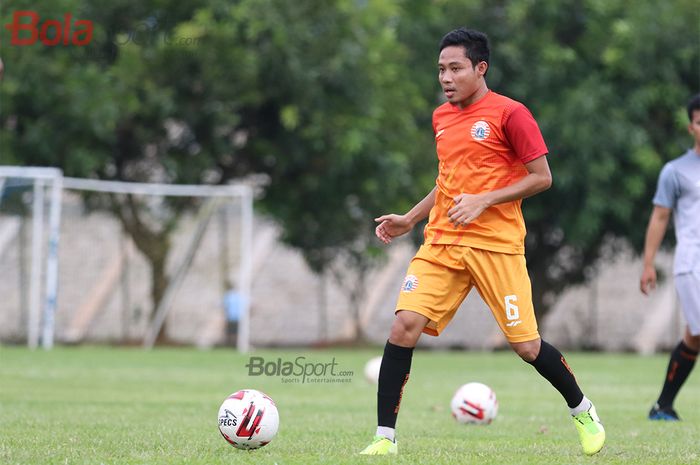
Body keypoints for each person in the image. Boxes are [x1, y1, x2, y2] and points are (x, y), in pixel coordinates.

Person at [359, 27, 605, 456]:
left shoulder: (511, 115)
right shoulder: (441, 117)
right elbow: (448, 181)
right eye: (440, 69)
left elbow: (542, 178)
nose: (446, 78)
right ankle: (385, 439)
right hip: (443, 243)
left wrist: (484, 201)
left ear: (480, 68)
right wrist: (410, 218)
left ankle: (582, 409)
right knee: (403, 327)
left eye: (455, 68)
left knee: (527, 347)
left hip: (497, 245)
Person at [640, 93, 700, 421]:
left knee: (694, 335)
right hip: (693, 265)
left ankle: (663, 406)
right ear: (691, 126)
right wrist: (648, 263)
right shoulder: (676, 171)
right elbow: (660, 217)